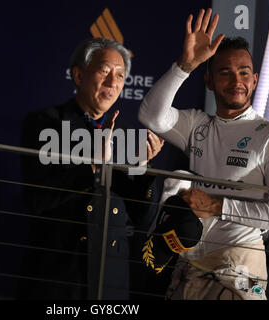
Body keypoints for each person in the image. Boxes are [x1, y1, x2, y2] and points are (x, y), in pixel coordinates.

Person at [138, 8, 269, 300]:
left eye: (243, 73)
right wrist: (185, 65)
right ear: (209, 82)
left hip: (239, 268)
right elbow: (151, 116)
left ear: (254, 80)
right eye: (224, 72)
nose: (236, 80)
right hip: (189, 264)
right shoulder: (198, 125)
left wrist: (215, 205)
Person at [20, 37, 165, 299]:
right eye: (104, 71)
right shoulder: (45, 125)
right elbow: (38, 200)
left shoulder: (124, 139)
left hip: (110, 280)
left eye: (120, 75)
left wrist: (143, 166)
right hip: (60, 278)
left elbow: (143, 218)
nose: (113, 83)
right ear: (78, 75)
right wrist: (92, 167)